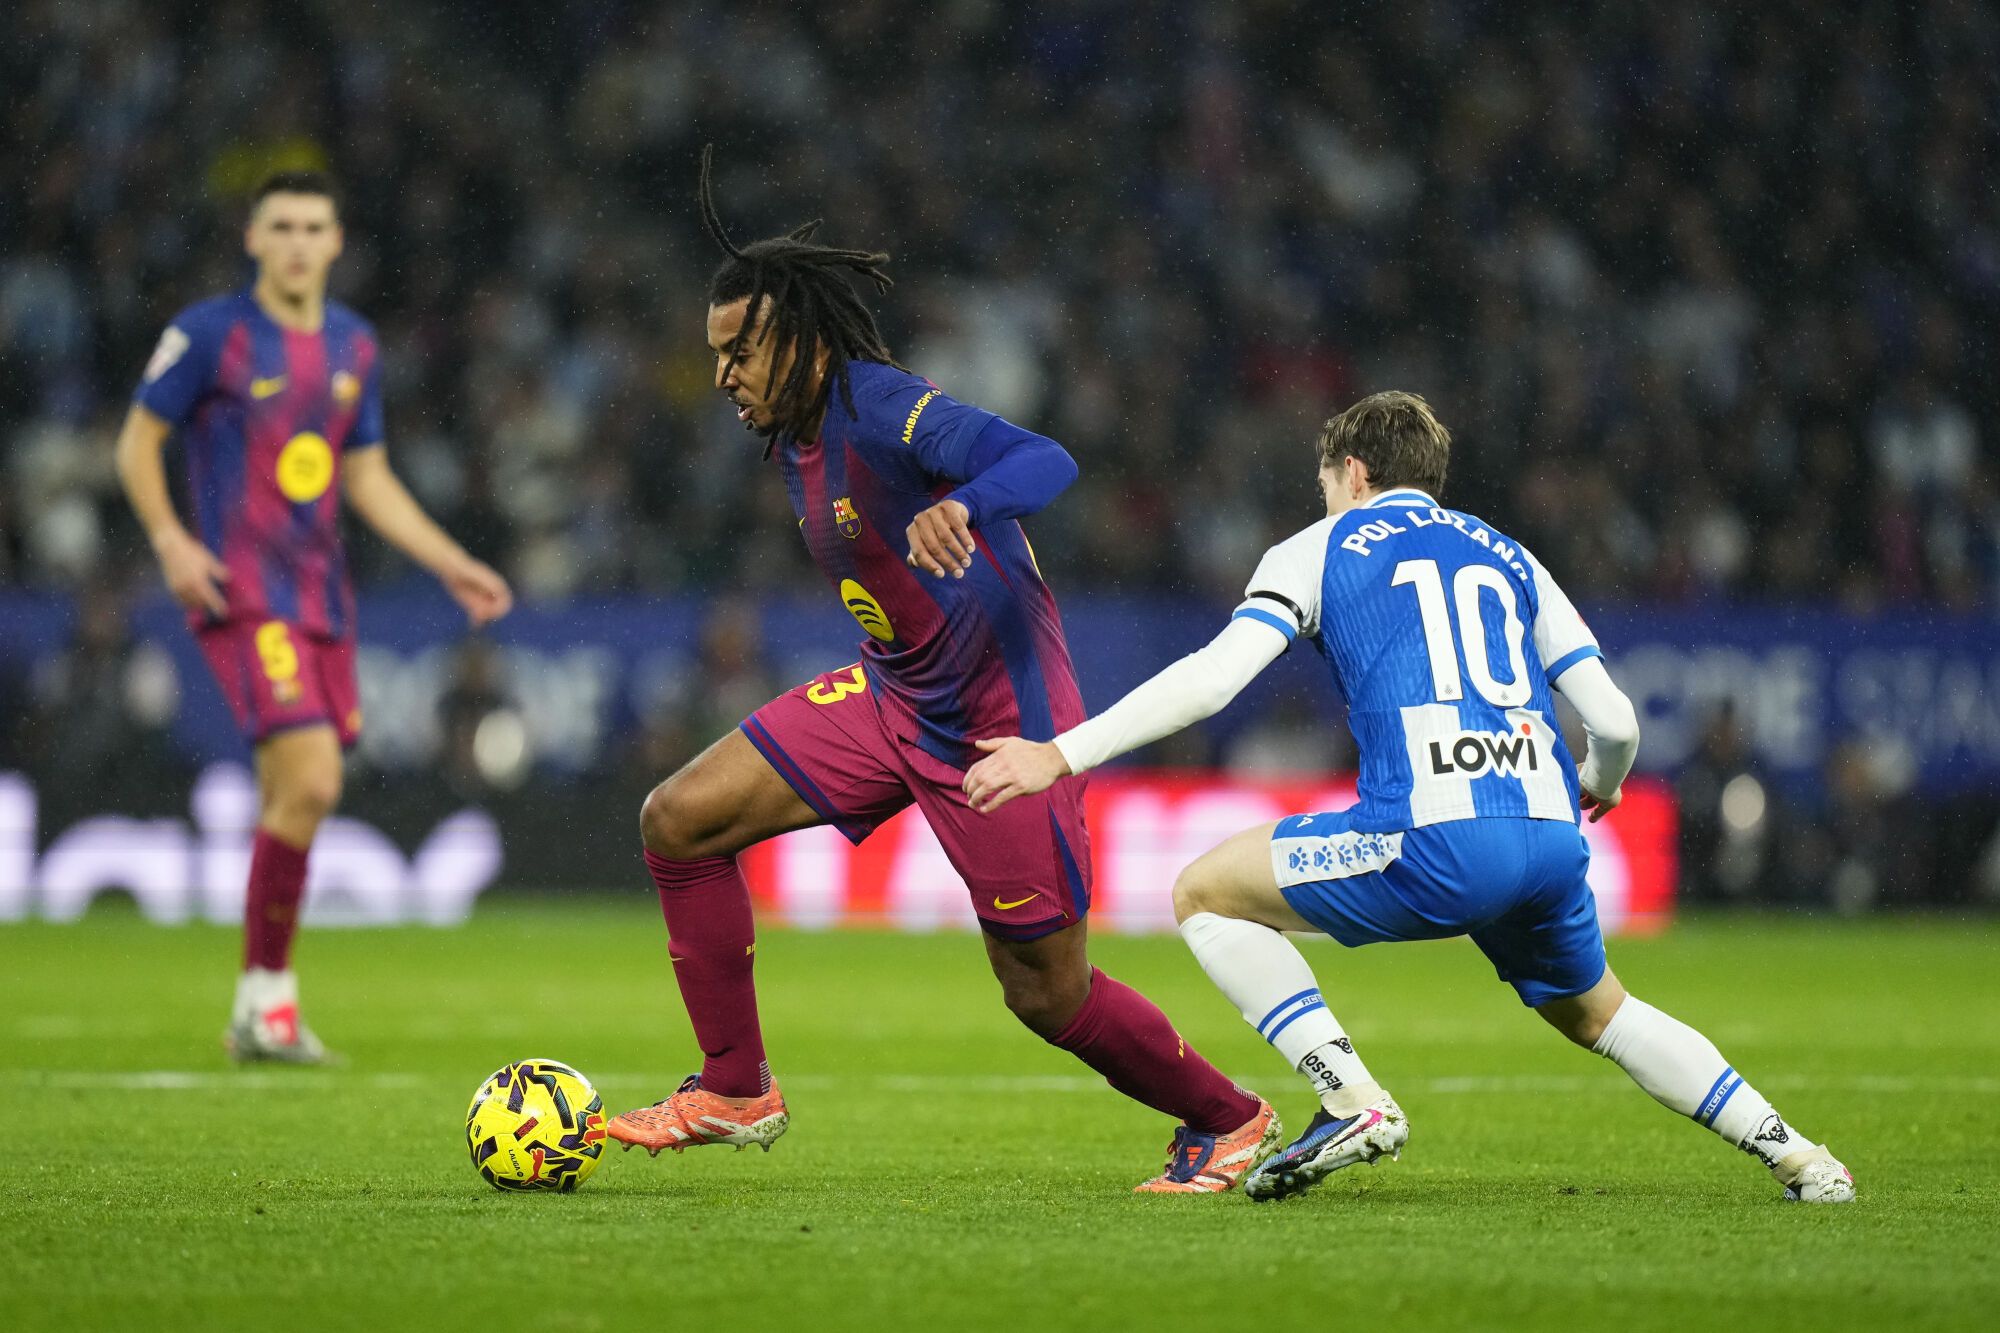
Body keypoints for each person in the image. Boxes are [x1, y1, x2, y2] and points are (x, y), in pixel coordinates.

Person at [965, 391, 1854, 1204]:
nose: (1323, 499)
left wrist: (1061, 752)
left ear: (1354, 472)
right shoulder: (1509, 553)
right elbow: (1616, 719)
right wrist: (1599, 786)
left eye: (1325, 483)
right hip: (1548, 832)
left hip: (1433, 835)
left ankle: (1349, 1094)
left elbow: (1212, 682)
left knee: (1203, 892)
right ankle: (1802, 1156)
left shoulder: (1317, 550)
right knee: (1601, 1012)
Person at [606, 148, 1277, 1194]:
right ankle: (736, 1089)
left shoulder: (878, 403)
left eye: (736, 353)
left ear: (794, 338)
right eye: (715, 356)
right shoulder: (789, 434)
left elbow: (1043, 457)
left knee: (1045, 995)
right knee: (677, 819)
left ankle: (1227, 1117)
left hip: (998, 723)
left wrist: (965, 502)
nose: (722, 377)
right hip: (889, 697)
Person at [115, 171, 512, 1062]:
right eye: (281, 225)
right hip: (242, 591)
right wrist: (171, 542)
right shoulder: (209, 333)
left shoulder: (353, 345)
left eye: (314, 227)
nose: (297, 241)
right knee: (315, 783)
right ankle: (269, 1000)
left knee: (288, 796)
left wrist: (450, 560)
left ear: (337, 243)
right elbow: (137, 439)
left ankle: (258, 1008)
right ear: (253, 240)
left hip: (323, 600)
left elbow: (365, 475)